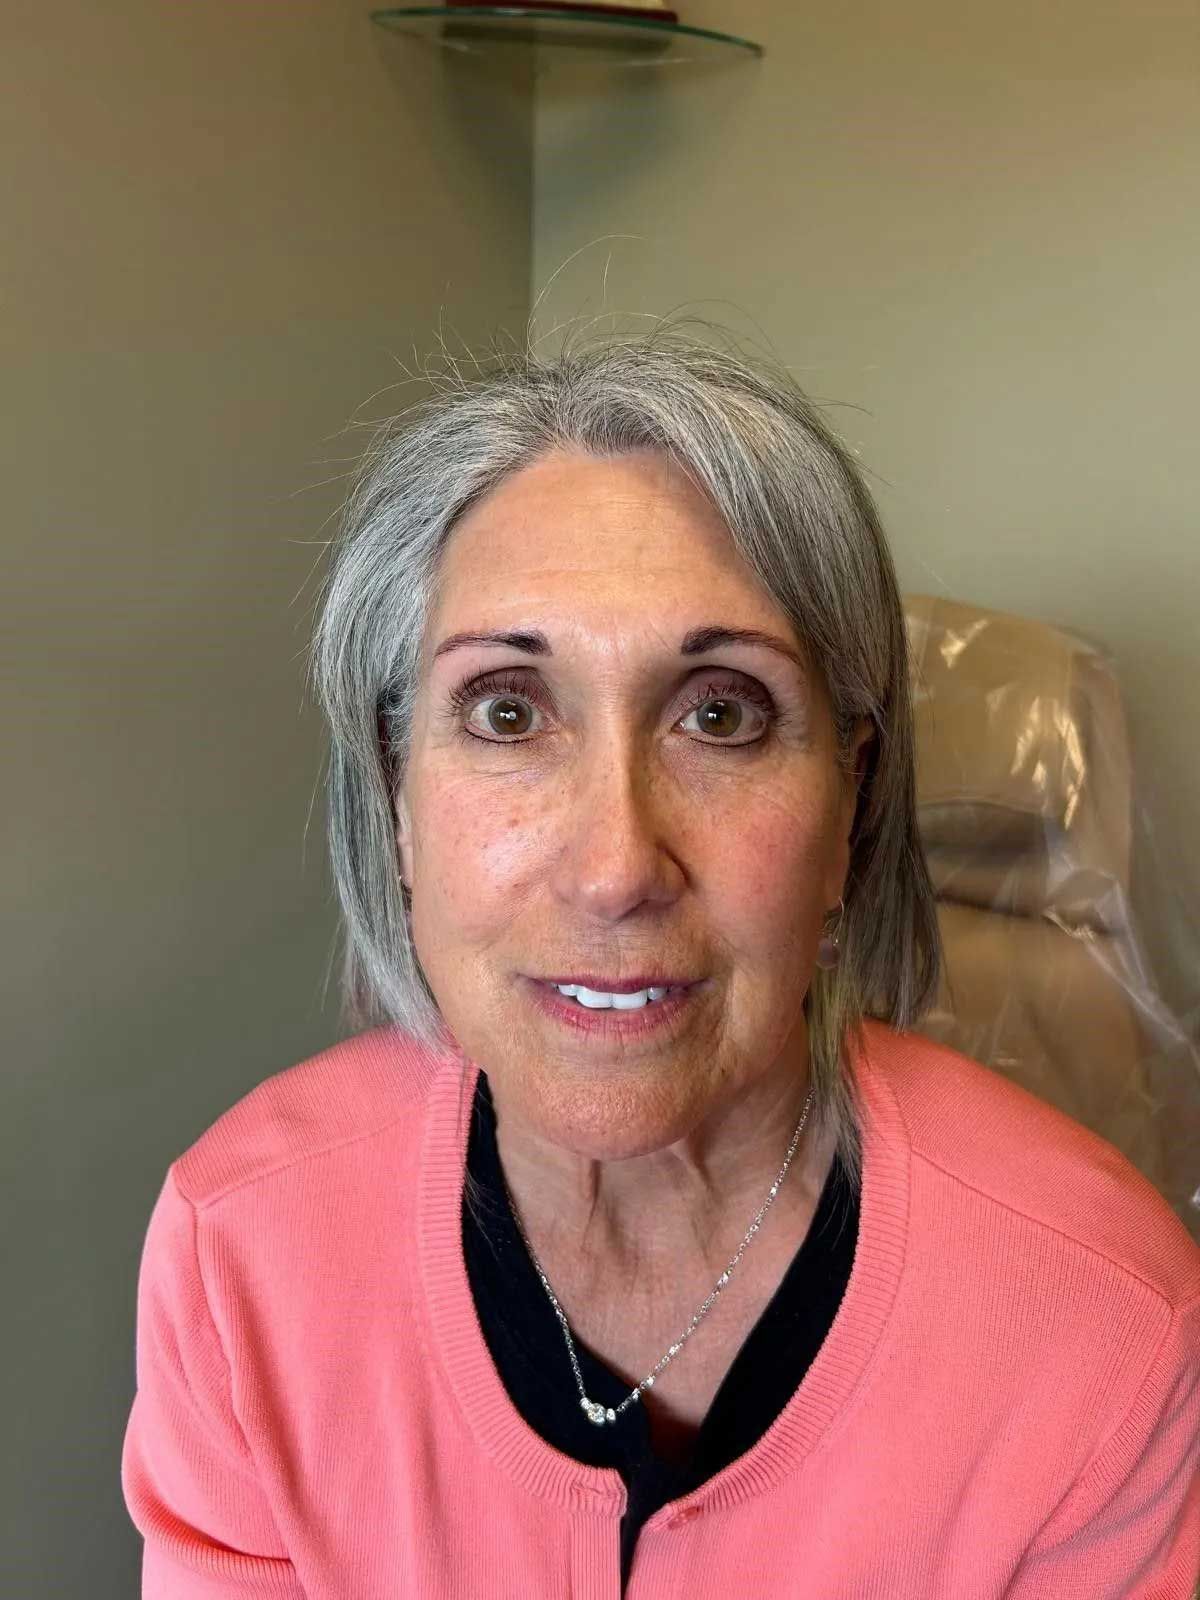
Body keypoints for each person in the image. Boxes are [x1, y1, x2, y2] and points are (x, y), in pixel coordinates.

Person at [121, 327, 1200, 1598]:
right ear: (398, 798)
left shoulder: (1105, 1328)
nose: (617, 866)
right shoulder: (241, 1253)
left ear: (851, 802)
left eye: (722, 713)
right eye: (508, 710)